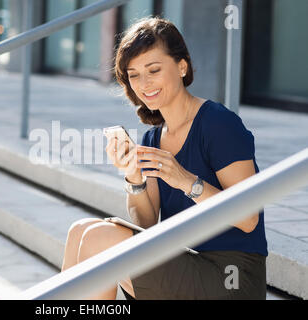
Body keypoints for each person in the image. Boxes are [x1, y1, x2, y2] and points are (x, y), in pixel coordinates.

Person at [60, 16, 268, 300]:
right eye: (133, 75)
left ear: (182, 66)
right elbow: (145, 224)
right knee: (80, 230)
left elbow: (248, 219)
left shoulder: (219, 124)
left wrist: (186, 181)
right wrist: (133, 177)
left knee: (100, 239)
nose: (144, 84)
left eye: (153, 70)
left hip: (230, 275)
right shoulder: (153, 138)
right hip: (181, 259)